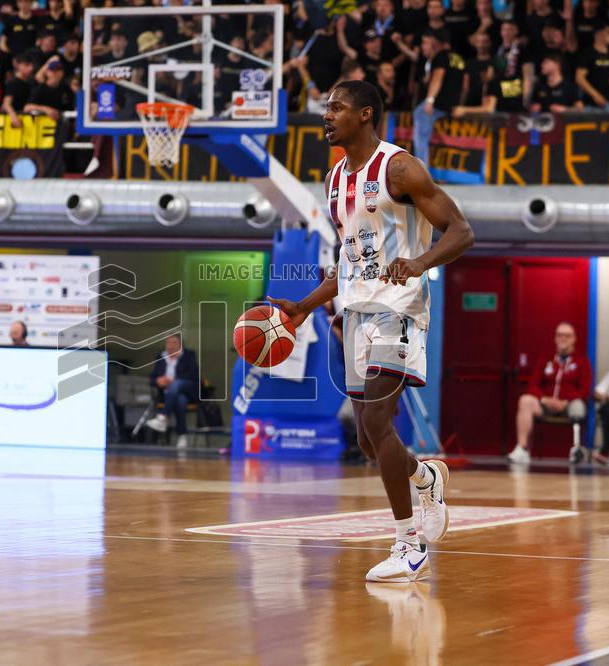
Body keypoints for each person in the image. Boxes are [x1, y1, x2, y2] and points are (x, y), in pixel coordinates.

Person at [268, 80, 473, 583]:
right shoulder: (336, 178)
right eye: (326, 107)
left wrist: (420, 262)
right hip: (355, 312)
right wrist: (303, 307)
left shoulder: (399, 167)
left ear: (365, 114)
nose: (327, 114)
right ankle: (425, 477)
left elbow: (462, 231)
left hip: (399, 307)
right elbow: (348, 259)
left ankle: (409, 543)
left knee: (379, 423)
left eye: (337, 107)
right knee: (365, 437)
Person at [508, 322, 592, 464]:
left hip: (568, 405)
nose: (563, 339)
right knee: (525, 400)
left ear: (574, 339)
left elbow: (584, 390)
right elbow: (533, 385)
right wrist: (545, 400)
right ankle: (522, 449)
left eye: (567, 335)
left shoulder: (582, 362)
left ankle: (576, 449)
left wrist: (564, 402)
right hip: (546, 404)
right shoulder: (545, 359)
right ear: (555, 338)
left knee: (579, 405)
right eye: (559, 335)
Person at [413, 28, 465, 162]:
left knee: (419, 119)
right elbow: (465, 85)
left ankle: (422, 170)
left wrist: (430, 100)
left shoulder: (440, 56)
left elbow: (438, 77)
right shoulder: (458, 58)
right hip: (453, 104)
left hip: (438, 103)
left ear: (436, 42)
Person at [145, 333, 200, 450]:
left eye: (174, 343)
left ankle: (163, 417)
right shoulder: (161, 356)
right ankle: (182, 436)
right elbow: (151, 379)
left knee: (176, 384)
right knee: (180, 401)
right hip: (167, 395)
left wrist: (173, 380)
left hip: (187, 390)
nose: (171, 346)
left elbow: (194, 375)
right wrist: (158, 381)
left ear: (180, 344)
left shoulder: (188, 355)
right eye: (168, 343)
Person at [575, 23, 609, 112]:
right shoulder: (588, 53)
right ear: (599, 34)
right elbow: (579, 78)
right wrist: (595, 95)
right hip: (592, 103)